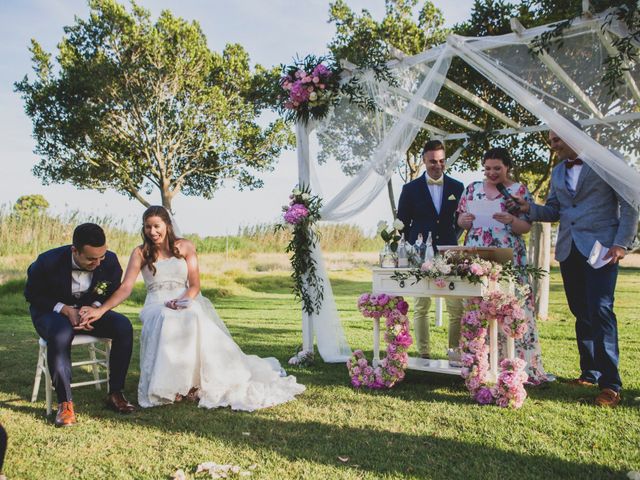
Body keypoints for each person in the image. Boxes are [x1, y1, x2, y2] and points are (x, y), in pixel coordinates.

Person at [79, 206, 305, 411]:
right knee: (166, 317)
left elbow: (195, 285)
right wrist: (101, 309)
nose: (152, 231)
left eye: (156, 226)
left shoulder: (185, 246)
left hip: (183, 297)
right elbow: (126, 287)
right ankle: (170, 387)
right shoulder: (140, 253)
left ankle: (191, 385)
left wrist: (182, 301)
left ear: (167, 225)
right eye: (147, 227)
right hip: (156, 303)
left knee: (192, 313)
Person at [510, 130, 638, 406]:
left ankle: (610, 384)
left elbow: (629, 204)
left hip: (602, 250)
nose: (553, 145)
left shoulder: (607, 160)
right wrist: (528, 208)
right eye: (551, 140)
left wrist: (621, 244)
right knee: (581, 311)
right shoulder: (557, 172)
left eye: (557, 139)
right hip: (569, 250)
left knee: (601, 310)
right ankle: (589, 373)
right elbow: (555, 211)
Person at [24, 223, 135, 427]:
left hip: (87, 310)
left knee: (123, 326)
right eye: (91, 259)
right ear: (74, 250)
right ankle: (65, 403)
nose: (98, 262)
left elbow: (110, 288)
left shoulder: (108, 260)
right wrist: (66, 310)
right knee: (60, 333)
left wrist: (93, 308)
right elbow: (32, 295)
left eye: (101, 257)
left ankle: (116, 393)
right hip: (52, 312)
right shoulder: (47, 261)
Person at [457, 147, 550, 384]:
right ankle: (479, 364)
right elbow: (460, 219)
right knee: (478, 306)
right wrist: (464, 221)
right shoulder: (472, 189)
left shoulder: (518, 191)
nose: (492, 173)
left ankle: (519, 364)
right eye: (487, 168)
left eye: (497, 168)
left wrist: (511, 220)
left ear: (507, 166)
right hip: (477, 257)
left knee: (512, 306)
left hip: (509, 257)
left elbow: (526, 227)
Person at [397, 140, 465, 360]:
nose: (438, 165)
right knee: (421, 305)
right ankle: (424, 352)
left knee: (456, 306)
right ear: (424, 160)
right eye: (433, 161)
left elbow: (460, 220)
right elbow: (402, 223)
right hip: (420, 255)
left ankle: (454, 353)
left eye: (442, 161)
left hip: (449, 252)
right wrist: (414, 249)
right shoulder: (410, 189)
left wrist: (453, 240)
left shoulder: (457, 187)